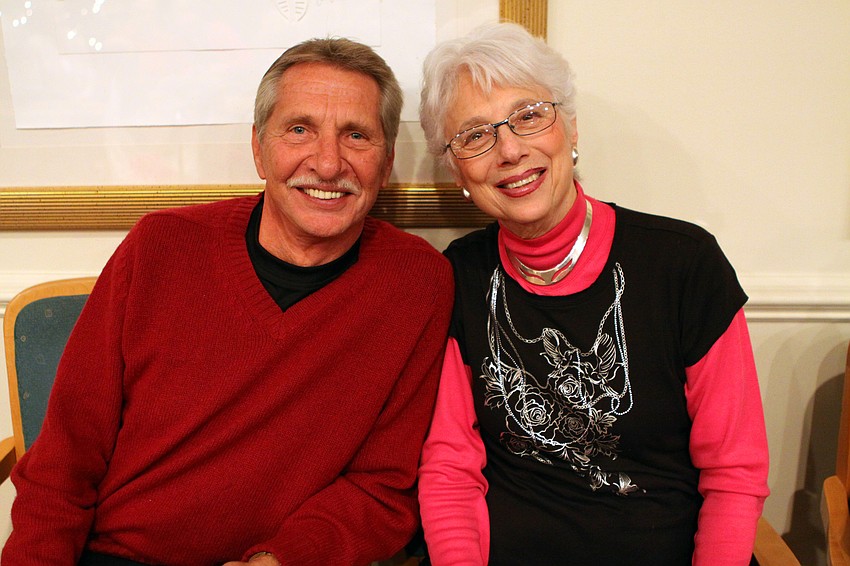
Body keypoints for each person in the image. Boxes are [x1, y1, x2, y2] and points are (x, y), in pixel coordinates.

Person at [2, 37, 454, 566]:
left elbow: (381, 487)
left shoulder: (418, 282)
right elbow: (65, 460)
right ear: (259, 148)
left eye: (356, 135)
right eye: (300, 129)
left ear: (388, 159)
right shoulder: (160, 247)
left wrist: (282, 560)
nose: (328, 164)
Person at [416, 22, 769, 565]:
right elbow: (449, 470)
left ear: (572, 129)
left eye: (529, 116)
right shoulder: (459, 275)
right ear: (457, 168)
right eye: (475, 134)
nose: (509, 150)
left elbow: (735, 473)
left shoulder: (683, 264)